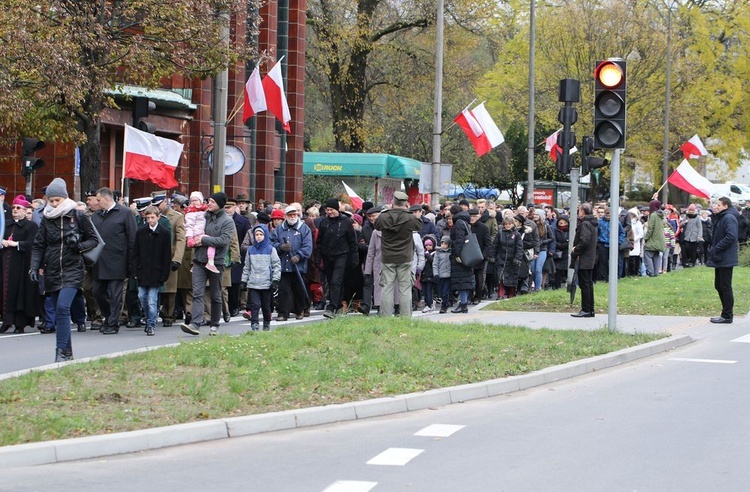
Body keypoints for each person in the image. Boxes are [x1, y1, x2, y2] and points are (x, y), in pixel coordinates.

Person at [30, 178, 99, 362]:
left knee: (62, 308)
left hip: (73, 268)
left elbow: (94, 240)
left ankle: (60, 351)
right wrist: (34, 266)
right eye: (50, 200)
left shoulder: (78, 216)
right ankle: (67, 352)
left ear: (65, 198)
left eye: (56, 200)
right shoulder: (46, 219)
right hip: (52, 270)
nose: (53, 204)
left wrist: (78, 245)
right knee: (59, 310)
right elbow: (38, 245)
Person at [181, 192, 235, 336]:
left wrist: (204, 240)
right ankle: (195, 324)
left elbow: (224, 241)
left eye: (212, 201)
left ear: (220, 204)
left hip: (216, 262)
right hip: (199, 260)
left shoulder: (227, 221)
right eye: (208, 201)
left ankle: (215, 324)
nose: (208, 203)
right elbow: (193, 226)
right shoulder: (204, 215)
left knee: (216, 295)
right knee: (197, 293)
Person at [92, 187, 137, 335]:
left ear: (106, 198)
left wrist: (132, 263)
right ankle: (107, 317)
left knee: (115, 293)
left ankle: (112, 323)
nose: (96, 203)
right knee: (98, 292)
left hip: (118, 260)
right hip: (99, 261)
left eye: (98, 200)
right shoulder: (96, 216)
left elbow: (132, 239)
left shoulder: (125, 213)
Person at [374, 192, 423, 317]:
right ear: (406, 203)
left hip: (387, 257)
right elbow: (419, 225)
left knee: (387, 288)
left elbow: (377, 226)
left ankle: (385, 317)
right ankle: (405, 317)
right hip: (405, 257)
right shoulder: (411, 218)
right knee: (405, 289)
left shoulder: (383, 217)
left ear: (392, 202)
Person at [0, 195, 39, 333]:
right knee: (5, 292)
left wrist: (16, 244)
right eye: (14, 207)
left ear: (25, 210)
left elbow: (33, 244)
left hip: (22, 264)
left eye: (19, 208)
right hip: (5, 263)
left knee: (20, 294)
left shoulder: (31, 226)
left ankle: (19, 324)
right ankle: (6, 320)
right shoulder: (6, 224)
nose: (15, 210)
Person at [315, 198, 358, 318]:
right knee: (330, 281)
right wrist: (318, 257)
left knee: (336, 281)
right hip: (327, 256)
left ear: (337, 209)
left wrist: (354, 258)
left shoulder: (345, 222)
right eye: (327, 210)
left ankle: (331, 307)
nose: (329, 212)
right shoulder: (324, 222)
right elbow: (319, 241)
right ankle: (338, 304)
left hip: (342, 255)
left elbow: (352, 241)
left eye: (331, 209)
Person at [133, 206, 172, 336]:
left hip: (157, 271)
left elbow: (166, 255)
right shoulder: (141, 232)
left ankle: (151, 323)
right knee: (141, 296)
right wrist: (135, 270)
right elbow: (136, 253)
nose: (150, 220)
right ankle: (149, 316)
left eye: (153, 217)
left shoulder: (165, 233)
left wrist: (164, 273)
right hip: (143, 271)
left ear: (158, 217)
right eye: (148, 218)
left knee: (152, 299)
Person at [270, 205, 313, 321]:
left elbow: (308, 246)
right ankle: (283, 313)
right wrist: (280, 247)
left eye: (295, 214)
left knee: (298, 289)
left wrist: (299, 256)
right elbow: (271, 243)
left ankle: (300, 310)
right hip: (283, 265)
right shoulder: (279, 229)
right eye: (290, 215)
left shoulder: (304, 229)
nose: (293, 217)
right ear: (286, 216)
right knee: (283, 290)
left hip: (298, 266)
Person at [241, 224, 281, 331]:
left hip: (266, 283)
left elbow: (276, 265)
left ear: (265, 235)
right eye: (256, 234)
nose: (258, 236)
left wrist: (275, 280)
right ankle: (254, 323)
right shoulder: (250, 250)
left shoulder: (271, 250)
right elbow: (247, 267)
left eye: (261, 234)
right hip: (254, 283)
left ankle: (266, 322)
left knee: (266, 306)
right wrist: (244, 281)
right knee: (254, 305)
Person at [706, 197, 740, 324]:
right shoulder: (722, 217)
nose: (716, 206)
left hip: (725, 257)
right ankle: (726, 313)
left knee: (724, 286)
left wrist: (717, 248)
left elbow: (731, 236)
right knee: (719, 285)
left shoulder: (728, 218)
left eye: (719, 205)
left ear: (725, 206)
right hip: (721, 257)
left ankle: (727, 315)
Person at [570, 203, 598, 318]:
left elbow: (584, 241)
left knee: (584, 284)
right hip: (589, 257)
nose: (578, 212)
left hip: (584, 258)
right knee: (588, 284)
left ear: (583, 211)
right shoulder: (593, 223)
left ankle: (586, 309)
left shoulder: (585, 224)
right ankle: (590, 309)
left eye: (579, 210)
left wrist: (576, 250)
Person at [184, 191, 219, 274]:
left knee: (203, 248)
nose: (194, 202)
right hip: (197, 233)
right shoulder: (190, 213)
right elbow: (189, 226)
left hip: (202, 232)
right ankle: (210, 262)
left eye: (196, 200)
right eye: (192, 201)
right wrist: (189, 237)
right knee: (212, 242)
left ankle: (196, 265)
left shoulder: (204, 211)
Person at [449, 204, 475, 313]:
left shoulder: (459, 223)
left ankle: (463, 304)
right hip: (466, 253)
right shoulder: (464, 221)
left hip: (461, 255)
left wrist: (457, 254)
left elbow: (459, 240)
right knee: (464, 280)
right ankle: (463, 303)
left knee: (462, 280)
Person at [493, 216, 524, 299]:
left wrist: (517, 258)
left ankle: (510, 295)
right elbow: (495, 245)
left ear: (513, 224)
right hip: (501, 259)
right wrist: (493, 256)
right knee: (501, 278)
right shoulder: (500, 233)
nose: (507, 225)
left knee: (511, 279)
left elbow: (519, 248)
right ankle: (500, 294)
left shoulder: (517, 234)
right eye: (506, 224)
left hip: (512, 260)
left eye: (509, 224)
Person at [642, 199, 666, 277]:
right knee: (656, 256)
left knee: (647, 255)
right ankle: (656, 273)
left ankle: (651, 272)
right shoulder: (662, 215)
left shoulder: (653, 215)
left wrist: (645, 238)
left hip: (653, 239)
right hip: (660, 240)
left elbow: (650, 229)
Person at [433, 236, 453, 313]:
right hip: (440, 275)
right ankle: (445, 302)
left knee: (445, 292)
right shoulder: (438, 253)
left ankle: (444, 306)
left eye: (445, 244)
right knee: (441, 292)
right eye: (442, 243)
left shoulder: (450, 252)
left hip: (448, 275)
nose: (443, 245)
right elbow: (435, 264)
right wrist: (435, 274)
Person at [420, 234, 438, 313]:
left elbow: (433, 261)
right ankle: (428, 303)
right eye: (426, 245)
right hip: (424, 276)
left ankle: (429, 304)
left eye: (430, 245)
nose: (428, 247)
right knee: (424, 291)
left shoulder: (434, 253)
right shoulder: (423, 254)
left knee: (429, 291)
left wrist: (427, 255)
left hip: (431, 276)